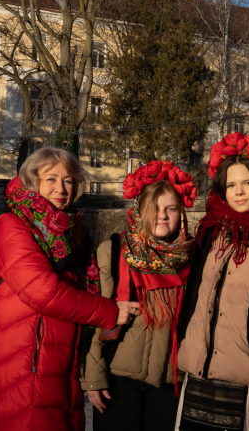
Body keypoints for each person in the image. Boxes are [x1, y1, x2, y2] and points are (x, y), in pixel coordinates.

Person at [0, 148, 139, 431]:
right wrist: (110, 312)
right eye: (51, 179)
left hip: (60, 362)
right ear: (32, 181)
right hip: (26, 361)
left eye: (69, 181)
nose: (61, 188)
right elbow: (43, 291)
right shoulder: (12, 225)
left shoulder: (73, 233)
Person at [174, 133, 249, 431]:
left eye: (247, 183)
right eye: (231, 185)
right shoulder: (212, 230)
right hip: (203, 368)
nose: (239, 192)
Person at [82, 160, 198, 431]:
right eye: (154, 208)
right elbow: (96, 319)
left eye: (171, 208)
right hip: (119, 381)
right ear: (140, 210)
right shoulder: (113, 251)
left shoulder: (194, 257)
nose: (162, 216)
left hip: (172, 384)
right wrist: (93, 378)